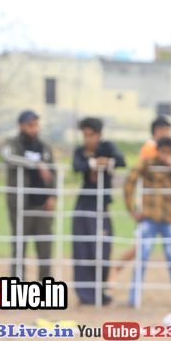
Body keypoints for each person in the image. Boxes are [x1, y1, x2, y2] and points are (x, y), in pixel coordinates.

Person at [124, 137, 171, 307]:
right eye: (163, 152)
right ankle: (133, 300)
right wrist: (130, 208)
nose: (165, 155)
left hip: (169, 218)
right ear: (158, 151)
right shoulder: (148, 164)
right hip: (149, 217)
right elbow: (130, 180)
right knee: (142, 258)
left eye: (168, 152)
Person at [72, 117, 126, 305]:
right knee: (82, 250)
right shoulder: (80, 151)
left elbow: (121, 161)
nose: (88, 139)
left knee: (102, 249)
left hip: (101, 206)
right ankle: (85, 295)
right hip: (83, 205)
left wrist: (106, 162)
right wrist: (94, 164)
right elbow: (76, 166)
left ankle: (99, 291)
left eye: (91, 135)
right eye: (85, 135)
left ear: (99, 134)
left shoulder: (107, 147)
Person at [1, 110, 56, 279]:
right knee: (18, 249)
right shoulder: (12, 143)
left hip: (42, 206)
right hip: (20, 205)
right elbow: (7, 156)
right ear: (21, 126)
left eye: (36, 125)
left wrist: (53, 196)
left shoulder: (44, 146)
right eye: (30, 125)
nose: (34, 129)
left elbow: (53, 172)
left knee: (45, 250)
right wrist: (36, 163)